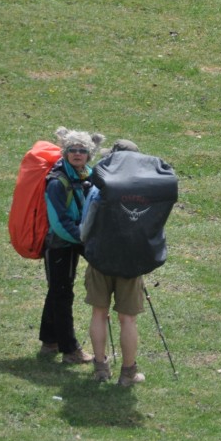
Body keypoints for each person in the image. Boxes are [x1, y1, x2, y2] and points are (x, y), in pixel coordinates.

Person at [80, 139, 147, 387]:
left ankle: (100, 368)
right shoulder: (146, 188)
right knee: (128, 319)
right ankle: (128, 373)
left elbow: (85, 226)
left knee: (99, 313)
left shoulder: (99, 187)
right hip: (131, 260)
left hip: (100, 257)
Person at [38, 126, 103, 364]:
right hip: (60, 243)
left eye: (82, 150)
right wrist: (84, 238)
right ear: (65, 152)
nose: (77, 154)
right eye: (72, 150)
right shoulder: (57, 181)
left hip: (76, 238)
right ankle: (70, 349)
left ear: (89, 154)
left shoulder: (88, 174)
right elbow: (59, 221)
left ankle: (49, 341)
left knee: (58, 290)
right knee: (62, 293)